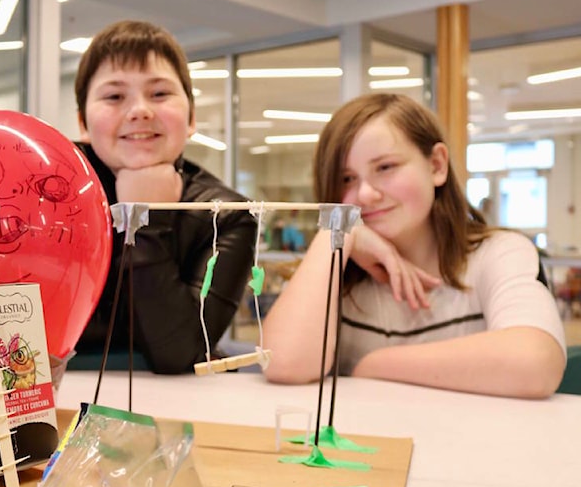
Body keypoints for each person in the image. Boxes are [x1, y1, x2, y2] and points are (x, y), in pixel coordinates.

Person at [263, 93, 565, 398]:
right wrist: (340, 233)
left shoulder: (499, 254)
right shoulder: (335, 270)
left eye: (385, 167)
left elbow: (534, 362)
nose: (365, 194)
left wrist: (375, 365)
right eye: (346, 178)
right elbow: (283, 364)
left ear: (436, 165)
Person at [72, 20, 257, 374]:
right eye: (114, 96)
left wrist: (146, 222)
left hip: (176, 402)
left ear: (191, 118)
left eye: (159, 94)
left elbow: (180, 354)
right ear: (82, 122)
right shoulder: (48, 196)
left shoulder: (228, 216)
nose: (139, 110)